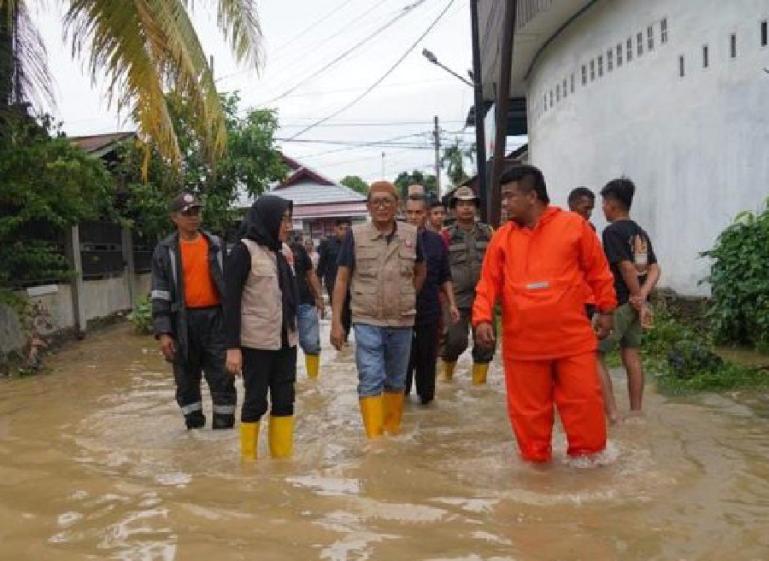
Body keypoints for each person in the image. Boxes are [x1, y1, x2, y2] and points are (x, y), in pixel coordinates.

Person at [473, 165, 617, 463]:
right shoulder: (502, 238)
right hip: (523, 348)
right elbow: (488, 284)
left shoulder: (573, 226)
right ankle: (537, 477)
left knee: (585, 407)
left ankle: (590, 472)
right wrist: (482, 318)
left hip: (571, 343)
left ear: (532, 196)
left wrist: (606, 309)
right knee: (529, 422)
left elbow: (598, 271)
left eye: (509, 196)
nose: (504, 203)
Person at [330, 181, 426, 438]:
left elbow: (420, 271)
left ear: (398, 205)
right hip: (367, 319)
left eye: (387, 201)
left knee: (396, 380)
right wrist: (336, 322)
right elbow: (341, 279)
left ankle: (392, 433)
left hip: (402, 321)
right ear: (368, 207)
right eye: (376, 202)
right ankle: (375, 441)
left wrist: (406, 296)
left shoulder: (412, 234)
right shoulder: (355, 235)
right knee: (370, 377)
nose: (382, 206)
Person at [151, 193, 236, 430]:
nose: (193, 217)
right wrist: (164, 333)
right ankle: (194, 434)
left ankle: (223, 433)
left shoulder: (215, 245)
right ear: (174, 218)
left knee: (223, 378)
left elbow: (231, 286)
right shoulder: (165, 250)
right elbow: (160, 293)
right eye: (187, 213)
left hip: (216, 322)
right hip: (182, 324)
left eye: (196, 212)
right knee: (186, 382)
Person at [224, 195, 299, 460]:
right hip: (255, 343)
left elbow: (289, 296)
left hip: (286, 340)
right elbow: (230, 302)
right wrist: (233, 348)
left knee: (285, 400)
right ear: (268, 219)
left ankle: (282, 463)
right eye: (283, 219)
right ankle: (249, 463)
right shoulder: (243, 251)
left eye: (289, 219)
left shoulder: (285, 252)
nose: (288, 226)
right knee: (255, 401)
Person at [597, 178, 661, 417]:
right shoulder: (640, 232)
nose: (602, 208)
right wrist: (643, 298)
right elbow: (655, 269)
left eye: (603, 203)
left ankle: (611, 413)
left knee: (594, 354)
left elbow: (625, 267)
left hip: (621, 302)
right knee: (631, 354)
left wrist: (635, 296)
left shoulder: (612, 231)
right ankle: (636, 411)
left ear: (612, 204)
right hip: (637, 305)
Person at [404, 195, 460, 404]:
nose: (413, 217)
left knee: (428, 360)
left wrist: (452, 304)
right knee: (404, 362)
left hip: (429, 309)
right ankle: (403, 408)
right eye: (409, 212)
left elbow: (445, 276)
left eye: (418, 212)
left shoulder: (437, 241)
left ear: (426, 214)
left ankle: (426, 405)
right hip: (401, 312)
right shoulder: (395, 240)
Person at [440, 186, 496, 384]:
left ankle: (479, 388)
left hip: (483, 297)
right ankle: (446, 380)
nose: (466, 208)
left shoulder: (488, 232)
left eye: (470, 204)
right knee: (456, 341)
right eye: (461, 205)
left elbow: (498, 262)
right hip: (455, 299)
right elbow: (439, 269)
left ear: (476, 208)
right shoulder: (445, 235)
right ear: (454, 209)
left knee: (486, 343)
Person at [291, 234, 325, 379]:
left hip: (305, 301)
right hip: (279, 307)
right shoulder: (267, 249)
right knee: (285, 348)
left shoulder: (298, 249)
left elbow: (310, 274)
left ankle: (313, 382)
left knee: (311, 344)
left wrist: (319, 297)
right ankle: (288, 384)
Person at [318, 218, 352, 340]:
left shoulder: (353, 244)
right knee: (338, 310)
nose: (344, 231)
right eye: (341, 228)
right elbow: (321, 267)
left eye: (346, 229)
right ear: (335, 229)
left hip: (350, 284)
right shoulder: (327, 244)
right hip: (333, 284)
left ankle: (346, 336)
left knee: (349, 312)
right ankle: (339, 334)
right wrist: (318, 291)